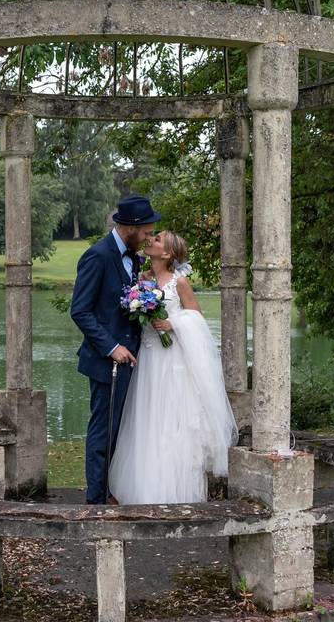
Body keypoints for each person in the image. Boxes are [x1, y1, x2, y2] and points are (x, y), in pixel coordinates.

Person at [108, 231, 238, 504]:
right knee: (146, 421)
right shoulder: (141, 281)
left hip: (171, 360)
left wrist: (173, 323)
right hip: (147, 359)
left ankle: (173, 493)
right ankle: (142, 491)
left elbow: (198, 319)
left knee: (170, 423)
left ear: (167, 254)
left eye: (156, 240)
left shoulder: (179, 283)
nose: (150, 240)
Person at [70, 195, 159, 504]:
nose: (149, 238)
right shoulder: (97, 256)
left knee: (119, 429)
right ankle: (95, 500)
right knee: (102, 432)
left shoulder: (133, 259)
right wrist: (112, 347)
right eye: (147, 232)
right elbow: (80, 311)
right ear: (130, 228)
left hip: (132, 360)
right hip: (106, 361)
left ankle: (109, 490)